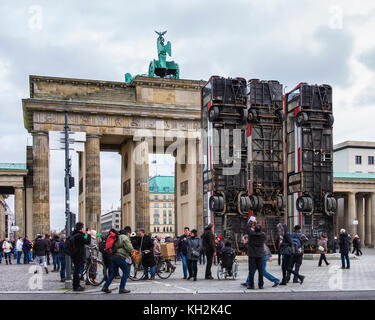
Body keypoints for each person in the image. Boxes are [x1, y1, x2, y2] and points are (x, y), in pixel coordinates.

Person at [102, 226, 134, 294]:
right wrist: (132, 250)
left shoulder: (117, 236)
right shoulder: (124, 237)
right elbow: (129, 248)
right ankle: (122, 288)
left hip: (113, 256)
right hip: (120, 256)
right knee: (126, 272)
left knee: (113, 273)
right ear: (128, 232)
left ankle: (105, 286)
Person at [70, 222, 91, 291]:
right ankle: (76, 286)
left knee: (77, 270)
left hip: (74, 255)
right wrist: (89, 235)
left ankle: (76, 285)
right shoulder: (79, 236)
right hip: (79, 255)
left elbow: (83, 240)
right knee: (77, 271)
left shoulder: (74, 234)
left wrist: (85, 234)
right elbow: (87, 242)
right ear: (81, 228)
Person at [247, 223, 265, 289]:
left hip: (252, 254)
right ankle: (261, 285)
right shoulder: (263, 235)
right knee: (261, 271)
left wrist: (251, 222)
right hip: (260, 254)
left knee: (251, 271)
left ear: (254, 229)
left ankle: (251, 285)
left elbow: (247, 228)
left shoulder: (251, 234)